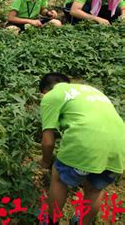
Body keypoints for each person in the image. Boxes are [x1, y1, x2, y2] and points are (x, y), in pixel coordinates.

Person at [38, 73, 124, 225]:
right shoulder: (91, 90)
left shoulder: (51, 96)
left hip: (86, 142)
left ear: (43, 92)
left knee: (58, 178)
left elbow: (48, 141)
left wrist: (45, 162)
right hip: (119, 146)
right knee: (95, 189)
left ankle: (51, 221)